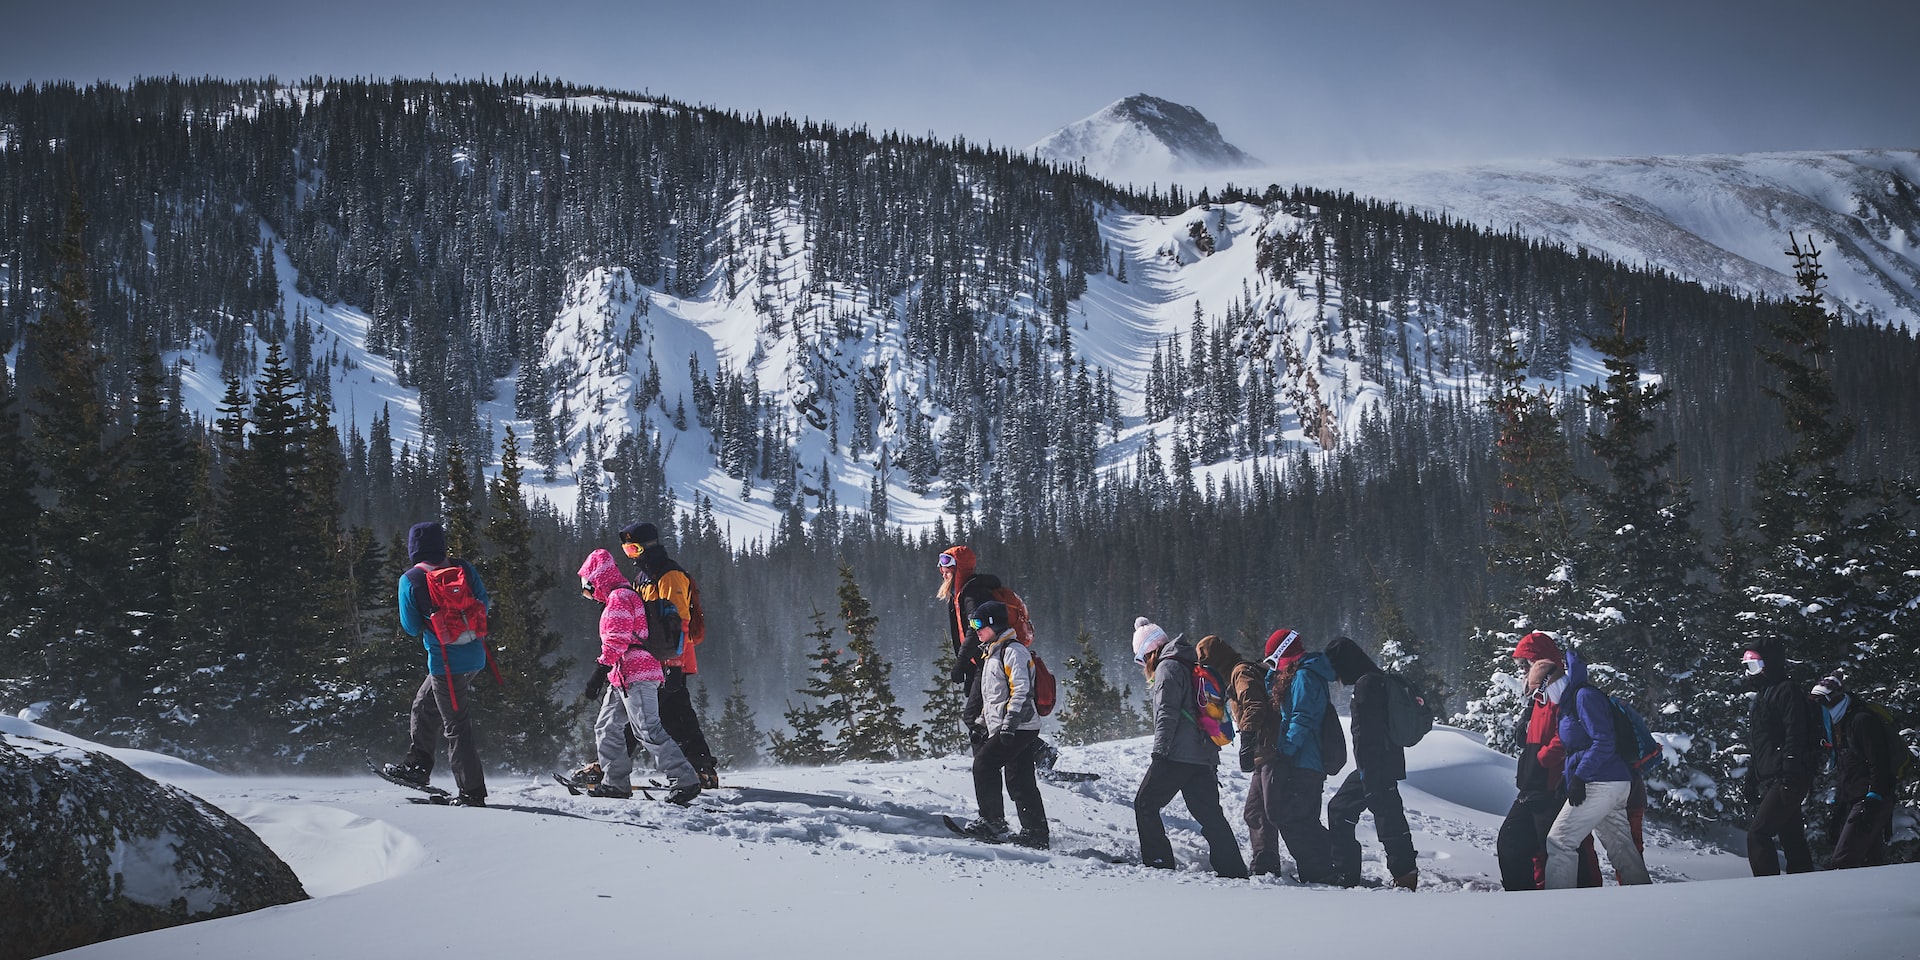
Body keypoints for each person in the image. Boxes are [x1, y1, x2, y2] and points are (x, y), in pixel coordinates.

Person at [577, 548, 701, 805]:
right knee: (607, 726)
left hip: (638, 674)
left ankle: (685, 779)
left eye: (588, 588)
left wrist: (599, 671)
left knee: (647, 729)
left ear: (597, 579)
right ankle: (615, 783)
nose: (588, 594)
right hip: (621, 675)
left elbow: (618, 639)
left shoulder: (620, 597)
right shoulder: (618, 596)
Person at [381, 521, 492, 807]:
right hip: (475, 657)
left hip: (446, 663)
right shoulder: (463, 568)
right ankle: (417, 766)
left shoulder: (411, 579)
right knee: (423, 703)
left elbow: (410, 626)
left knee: (456, 724)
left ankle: (472, 792)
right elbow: (484, 603)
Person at [1130, 626, 1249, 878]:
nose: (1143, 667)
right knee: (1209, 814)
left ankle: (1158, 864)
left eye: (1141, 659)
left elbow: (1167, 713)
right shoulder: (1188, 662)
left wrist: (1159, 753)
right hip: (1203, 755)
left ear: (1150, 651)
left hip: (1177, 755)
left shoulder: (1167, 668)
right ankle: (1233, 869)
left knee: (1145, 804)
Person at [1494, 631, 1602, 890]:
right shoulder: (1540, 696)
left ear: (1538, 662)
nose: (1521, 669)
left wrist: (1544, 759)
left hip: (1555, 785)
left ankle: (1585, 899)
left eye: (1524, 663)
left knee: (1559, 847)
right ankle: (1524, 900)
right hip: (1534, 784)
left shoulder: (1562, 692)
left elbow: (1571, 733)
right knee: (1512, 843)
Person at [620, 521, 719, 789]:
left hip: (672, 658)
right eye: (627, 550)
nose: (632, 555)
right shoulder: (643, 577)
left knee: (651, 715)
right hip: (650, 660)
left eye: (635, 548)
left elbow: (679, 623)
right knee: (668, 714)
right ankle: (701, 768)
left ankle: (612, 765)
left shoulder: (669, 574)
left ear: (649, 546)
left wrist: (673, 666)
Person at [1543, 648, 1651, 887]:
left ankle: (1554, 907)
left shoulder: (1584, 697)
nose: (1544, 699)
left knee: (1560, 841)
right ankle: (1644, 896)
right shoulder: (1571, 702)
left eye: (1542, 693)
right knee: (1621, 847)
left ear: (1550, 683)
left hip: (1601, 781)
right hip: (1610, 781)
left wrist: (1580, 777)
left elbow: (1604, 741)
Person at [1324, 635, 1419, 889]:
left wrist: (1367, 774)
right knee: (1383, 815)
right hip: (1382, 762)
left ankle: (1352, 874)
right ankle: (1404, 873)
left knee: (1365, 813)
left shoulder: (1367, 685)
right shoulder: (1377, 679)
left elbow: (1366, 735)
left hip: (1374, 766)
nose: (1337, 676)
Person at [1251, 628, 1341, 884]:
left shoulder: (1304, 677)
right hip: (1303, 761)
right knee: (1299, 818)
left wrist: (1285, 751)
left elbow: (1302, 718)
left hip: (1303, 761)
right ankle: (1325, 869)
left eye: (1273, 658)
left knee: (1294, 819)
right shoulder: (1297, 675)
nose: (1272, 664)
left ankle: (1323, 872)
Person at [961, 599, 1048, 848]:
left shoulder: (1013, 651)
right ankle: (1035, 834)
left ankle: (992, 823)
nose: (974, 628)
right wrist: (980, 723)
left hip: (1019, 726)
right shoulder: (993, 653)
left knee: (984, 764)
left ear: (993, 623)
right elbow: (993, 699)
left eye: (978, 623)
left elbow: (1021, 691)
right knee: (1019, 779)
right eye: (971, 622)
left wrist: (1010, 723)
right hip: (1010, 726)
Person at [1742, 641, 1817, 876]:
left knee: (1758, 834)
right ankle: (1803, 886)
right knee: (1791, 836)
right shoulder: (1763, 696)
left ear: (1769, 664)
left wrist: (1790, 771)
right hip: (1771, 776)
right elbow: (1760, 743)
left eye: (1754, 665)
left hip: (1787, 776)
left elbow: (1795, 732)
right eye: (1747, 666)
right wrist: (1752, 777)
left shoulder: (1787, 691)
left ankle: (1768, 891)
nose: (1750, 672)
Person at [1811, 675, 1899, 870]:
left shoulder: (1861, 721)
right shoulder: (1840, 724)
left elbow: (1880, 763)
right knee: (1871, 862)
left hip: (1871, 798)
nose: (1820, 708)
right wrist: (1840, 807)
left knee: (1843, 861)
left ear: (1835, 700)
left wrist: (1874, 798)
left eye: (1822, 702)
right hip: (1857, 798)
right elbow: (1847, 771)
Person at [935, 546, 1005, 754]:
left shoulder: (972, 595)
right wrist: (969, 670)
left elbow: (975, 630)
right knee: (985, 717)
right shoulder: (963, 593)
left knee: (975, 717)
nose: (942, 569)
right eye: (941, 564)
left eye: (947, 564)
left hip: (991, 663)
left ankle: (988, 763)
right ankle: (988, 761)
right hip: (982, 663)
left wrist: (961, 664)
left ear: (960, 568)